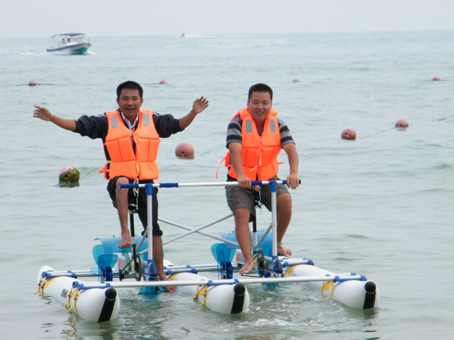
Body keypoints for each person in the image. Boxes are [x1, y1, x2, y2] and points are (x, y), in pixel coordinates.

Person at [33, 80, 209, 291]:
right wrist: (52, 118)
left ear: (141, 100)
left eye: (134, 98)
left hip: (146, 185)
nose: (130, 103)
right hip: (119, 183)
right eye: (125, 98)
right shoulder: (107, 121)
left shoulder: (152, 120)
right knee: (124, 181)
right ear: (118, 101)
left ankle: (161, 273)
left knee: (154, 229)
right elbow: (79, 126)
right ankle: (125, 233)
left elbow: (177, 125)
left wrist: (193, 113)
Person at [224, 83, 299, 274]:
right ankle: (249, 260)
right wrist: (241, 175)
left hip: (267, 178)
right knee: (242, 213)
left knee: (285, 200)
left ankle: (278, 243)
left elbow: (290, 148)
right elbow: (234, 150)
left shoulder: (279, 124)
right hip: (239, 179)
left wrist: (293, 173)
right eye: (255, 102)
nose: (260, 107)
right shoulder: (237, 123)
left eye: (265, 103)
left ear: (271, 104)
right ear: (248, 103)